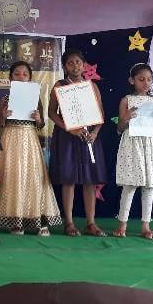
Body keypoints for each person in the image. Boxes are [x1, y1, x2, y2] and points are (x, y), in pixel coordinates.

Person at [0, 61, 61, 236]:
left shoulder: (35, 97)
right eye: (17, 74)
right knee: (12, 176)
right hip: (10, 138)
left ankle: (40, 221)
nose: (21, 77)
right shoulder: (5, 98)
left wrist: (38, 119)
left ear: (30, 78)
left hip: (30, 138)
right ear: (10, 77)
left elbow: (41, 125)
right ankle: (15, 221)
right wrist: (3, 115)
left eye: (25, 74)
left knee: (34, 176)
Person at [48, 49, 107, 237]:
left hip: (88, 137)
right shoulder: (60, 85)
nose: (75, 66)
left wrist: (95, 133)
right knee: (69, 179)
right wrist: (70, 128)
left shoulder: (92, 86)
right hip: (67, 137)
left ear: (84, 65)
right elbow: (51, 113)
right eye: (70, 63)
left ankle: (91, 223)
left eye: (78, 62)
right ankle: (69, 222)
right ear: (65, 67)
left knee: (90, 180)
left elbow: (100, 114)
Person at [114, 63, 153, 240]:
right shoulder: (126, 100)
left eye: (149, 79)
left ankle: (146, 226)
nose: (146, 83)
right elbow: (119, 128)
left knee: (149, 185)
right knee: (130, 185)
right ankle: (122, 225)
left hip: (151, 145)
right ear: (132, 80)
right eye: (141, 79)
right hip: (133, 145)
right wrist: (126, 118)